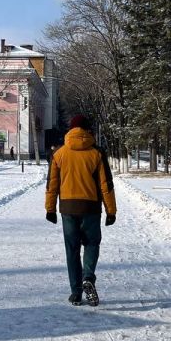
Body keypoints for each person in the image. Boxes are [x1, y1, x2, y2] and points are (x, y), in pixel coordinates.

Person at [44, 115, 116, 306]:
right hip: (91, 208)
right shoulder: (97, 153)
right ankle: (88, 277)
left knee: (72, 249)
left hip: (68, 208)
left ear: (70, 130)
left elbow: (52, 184)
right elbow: (106, 184)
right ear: (87, 130)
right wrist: (111, 211)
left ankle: (76, 292)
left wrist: (50, 209)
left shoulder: (59, 153)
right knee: (92, 244)